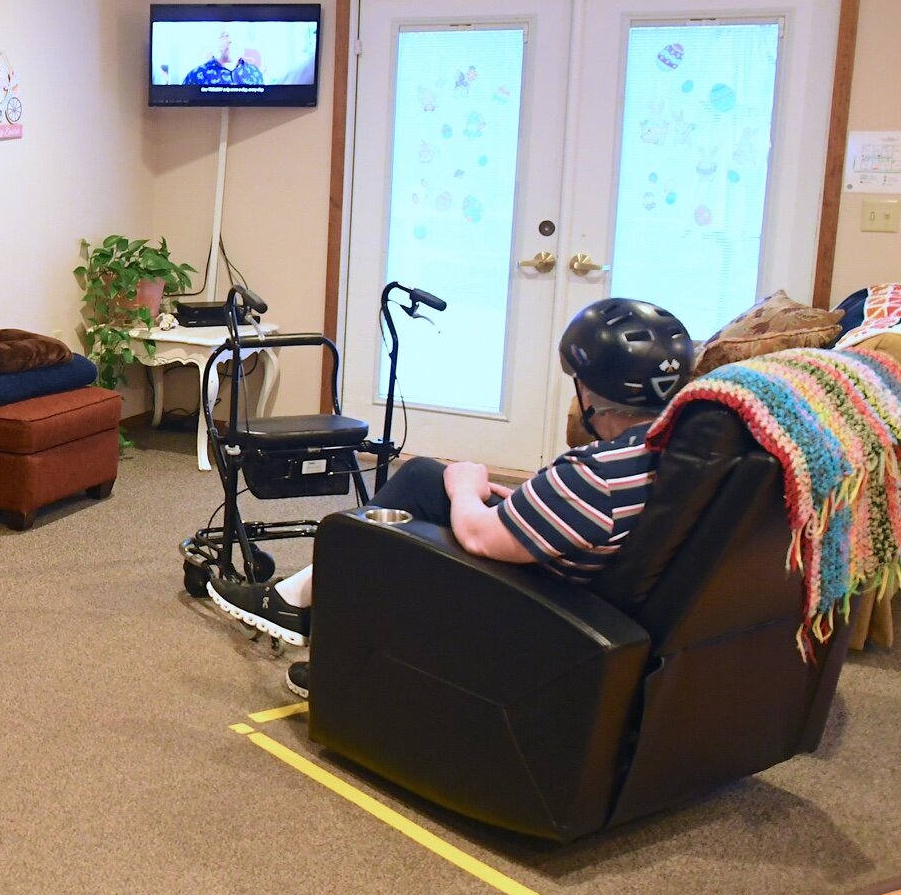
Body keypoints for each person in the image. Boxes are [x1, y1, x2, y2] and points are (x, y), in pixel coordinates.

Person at [212, 298, 694, 700]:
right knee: (422, 478)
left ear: (590, 392)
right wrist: (529, 503)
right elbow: (580, 518)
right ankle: (297, 598)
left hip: (543, 605)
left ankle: (329, 641)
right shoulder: (675, 448)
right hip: (584, 574)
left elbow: (480, 538)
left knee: (383, 530)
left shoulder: (594, 475)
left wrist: (468, 487)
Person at [181, 30, 263, 88]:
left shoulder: (254, 72)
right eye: (225, 36)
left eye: (236, 35)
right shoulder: (196, 76)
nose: (230, 41)